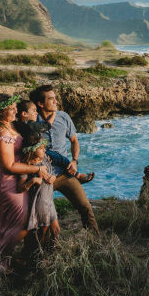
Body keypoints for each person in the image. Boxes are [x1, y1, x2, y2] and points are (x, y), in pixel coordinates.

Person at [0, 93, 51, 257]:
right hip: (5, 179)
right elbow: (8, 166)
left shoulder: (11, 125)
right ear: (1, 112)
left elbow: (34, 132)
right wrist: (37, 169)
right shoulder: (2, 133)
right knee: (19, 220)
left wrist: (41, 154)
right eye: (12, 108)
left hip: (13, 175)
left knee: (12, 220)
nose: (16, 110)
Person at [29, 85, 99, 232]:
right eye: (51, 99)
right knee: (40, 217)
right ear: (40, 103)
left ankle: (95, 240)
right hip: (43, 176)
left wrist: (74, 161)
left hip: (65, 173)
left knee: (85, 206)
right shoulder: (33, 120)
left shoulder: (64, 116)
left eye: (55, 98)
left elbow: (74, 141)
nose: (55, 101)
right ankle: (40, 250)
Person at [15, 123, 60, 250]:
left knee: (56, 230)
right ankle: (37, 254)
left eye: (44, 147)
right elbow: (19, 188)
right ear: (33, 149)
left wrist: (54, 177)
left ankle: (52, 252)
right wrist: (34, 180)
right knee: (42, 231)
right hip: (39, 202)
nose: (44, 149)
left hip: (49, 200)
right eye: (41, 148)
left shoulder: (45, 158)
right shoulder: (26, 165)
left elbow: (53, 172)